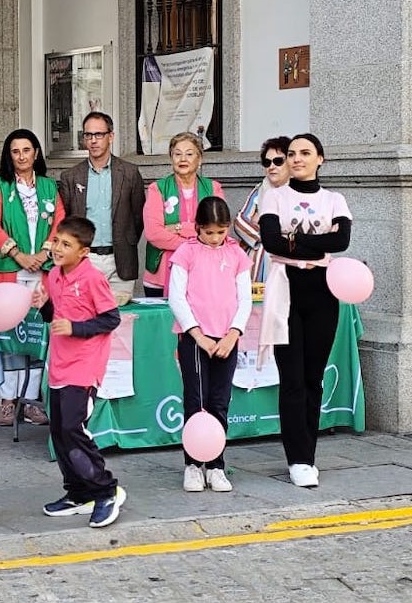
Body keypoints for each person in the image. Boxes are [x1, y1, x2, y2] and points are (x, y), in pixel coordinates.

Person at [258, 134, 351, 488]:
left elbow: (340, 241)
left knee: (314, 377)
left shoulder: (334, 199)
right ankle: (297, 458)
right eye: (291, 154)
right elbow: (271, 241)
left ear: (320, 159)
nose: (296, 159)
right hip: (286, 291)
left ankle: (309, 454)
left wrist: (295, 240)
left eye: (304, 153)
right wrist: (311, 243)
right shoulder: (275, 196)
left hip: (323, 291)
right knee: (292, 379)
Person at [31, 216, 126, 528]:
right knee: (58, 431)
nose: (58, 248)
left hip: (83, 368)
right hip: (58, 365)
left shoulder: (92, 278)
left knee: (74, 429)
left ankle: (105, 489)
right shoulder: (55, 275)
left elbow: (111, 318)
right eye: (57, 241)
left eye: (66, 245)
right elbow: (56, 317)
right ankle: (77, 491)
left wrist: (76, 328)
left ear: (83, 252)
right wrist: (43, 306)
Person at [167, 197, 253, 493]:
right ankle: (192, 465)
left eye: (221, 232)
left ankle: (216, 465)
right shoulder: (185, 253)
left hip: (227, 338)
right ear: (197, 228)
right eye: (209, 232)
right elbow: (176, 298)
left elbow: (245, 298)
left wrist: (233, 333)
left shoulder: (237, 254)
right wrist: (198, 335)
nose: (216, 238)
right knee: (196, 400)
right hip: (194, 339)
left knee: (219, 402)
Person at [0, 128, 65, 427]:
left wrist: (44, 254)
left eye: (26, 150)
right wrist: (18, 255)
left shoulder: (48, 187)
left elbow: (60, 222)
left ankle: (31, 401)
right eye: (15, 151)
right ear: (9, 155)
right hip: (9, 269)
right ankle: (7, 400)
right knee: (8, 337)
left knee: (36, 334)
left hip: (41, 271)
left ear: (36, 153)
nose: (21, 156)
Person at [58, 112, 145, 300]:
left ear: (111, 136)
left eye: (99, 135)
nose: (93, 141)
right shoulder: (71, 176)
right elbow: (66, 220)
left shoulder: (129, 173)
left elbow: (138, 217)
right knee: (82, 320)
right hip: (84, 259)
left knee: (121, 323)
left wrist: (126, 241)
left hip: (120, 260)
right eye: (88, 135)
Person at [142, 131, 224, 296]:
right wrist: (194, 242)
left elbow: (217, 228)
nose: (183, 159)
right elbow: (153, 233)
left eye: (189, 154)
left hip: (203, 271)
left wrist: (178, 227)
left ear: (199, 159)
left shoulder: (213, 188)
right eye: (177, 154)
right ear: (171, 158)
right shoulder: (157, 188)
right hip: (160, 274)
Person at [234, 137, 292, 284]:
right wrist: (268, 236)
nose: (272, 166)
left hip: (287, 262)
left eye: (278, 161)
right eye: (267, 162)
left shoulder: (300, 192)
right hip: (256, 263)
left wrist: (259, 220)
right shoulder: (260, 190)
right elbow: (240, 221)